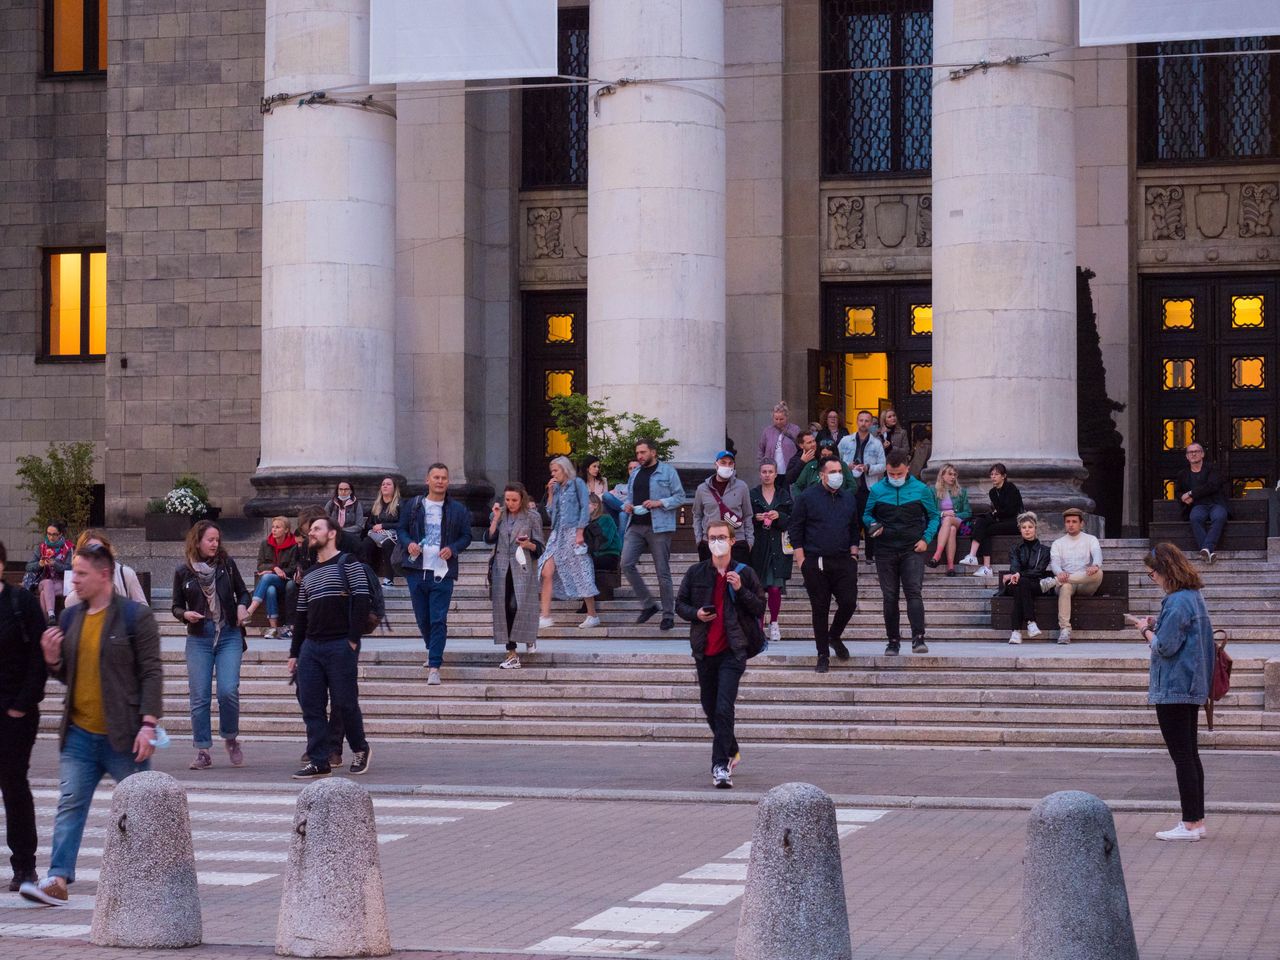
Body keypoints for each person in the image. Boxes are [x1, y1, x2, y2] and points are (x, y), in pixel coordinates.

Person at [19, 543, 161, 906]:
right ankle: (58, 878)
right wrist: (52, 660)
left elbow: (151, 671)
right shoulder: (70, 617)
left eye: (80, 574)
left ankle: (153, 881)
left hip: (124, 733)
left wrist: (149, 724)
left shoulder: (134, 617)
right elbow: (70, 675)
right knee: (70, 803)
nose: (73, 581)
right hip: (80, 732)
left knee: (139, 809)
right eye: (73, 574)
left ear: (103, 575)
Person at [1134, 543, 1215, 841]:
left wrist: (1145, 630)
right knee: (1190, 755)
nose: (1152, 579)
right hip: (1191, 684)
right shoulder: (1194, 596)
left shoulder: (1177, 601)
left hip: (1174, 686)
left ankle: (1190, 823)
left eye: (1152, 574)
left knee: (1182, 756)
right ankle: (1197, 820)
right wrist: (1158, 623)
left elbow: (1165, 646)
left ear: (1166, 571)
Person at [675, 519, 765, 789]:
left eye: (722, 537)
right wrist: (697, 614)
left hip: (733, 650)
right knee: (709, 706)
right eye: (712, 537)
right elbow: (680, 604)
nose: (717, 542)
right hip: (705, 650)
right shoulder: (696, 573)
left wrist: (740, 590)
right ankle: (732, 746)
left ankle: (720, 764)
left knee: (724, 707)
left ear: (731, 541)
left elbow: (760, 607)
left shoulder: (745, 573)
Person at [287, 516, 373, 779]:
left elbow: (362, 599)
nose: (311, 534)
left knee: (345, 703)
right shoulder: (309, 574)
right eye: (310, 530)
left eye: (316, 529)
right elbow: (301, 615)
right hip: (312, 647)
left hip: (339, 644)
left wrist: (353, 639)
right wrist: (294, 652)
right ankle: (318, 759)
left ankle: (360, 748)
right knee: (311, 705)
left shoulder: (349, 563)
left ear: (332, 533)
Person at [171, 521, 249, 770]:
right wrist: (185, 615)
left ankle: (231, 737)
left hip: (228, 634)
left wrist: (241, 605)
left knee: (228, 690)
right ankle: (203, 749)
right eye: (210, 540)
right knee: (200, 695)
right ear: (198, 541)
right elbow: (175, 606)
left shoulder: (227, 565)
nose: (215, 544)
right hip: (199, 636)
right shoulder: (183, 571)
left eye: (217, 539)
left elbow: (244, 593)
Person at [397, 463, 473, 685]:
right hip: (416, 570)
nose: (440, 481)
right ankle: (433, 649)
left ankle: (434, 666)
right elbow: (400, 529)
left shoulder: (458, 509)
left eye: (444, 478)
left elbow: (466, 536)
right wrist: (408, 543)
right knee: (423, 618)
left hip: (443, 571)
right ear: (427, 480)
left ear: (448, 482)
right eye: (436, 477)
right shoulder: (413, 506)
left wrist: (453, 548)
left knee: (438, 619)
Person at [0, 540, 46, 894]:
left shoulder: (21, 603)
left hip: (15, 713)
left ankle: (25, 867)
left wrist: (22, 704)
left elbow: (39, 660)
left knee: (13, 785)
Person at [863, 449, 940, 656]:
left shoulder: (922, 489)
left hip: (912, 548)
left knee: (913, 592)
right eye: (891, 474)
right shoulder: (878, 490)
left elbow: (934, 516)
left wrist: (926, 539)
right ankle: (893, 641)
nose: (895, 478)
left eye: (899, 474)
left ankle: (918, 638)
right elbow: (866, 514)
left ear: (907, 469)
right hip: (885, 549)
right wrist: (872, 524)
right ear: (886, 470)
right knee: (889, 596)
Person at [788, 458, 861, 672]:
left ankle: (834, 636)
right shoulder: (807, 498)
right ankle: (823, 654)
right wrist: (801, 560)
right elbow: (796, 528)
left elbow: (854, 528)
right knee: (820, 609)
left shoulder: (848, 498)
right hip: (816, 562)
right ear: (822, 475)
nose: (837, 475)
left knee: (848, 603)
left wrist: (854, 554)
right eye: (833, 471)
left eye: (840, 471)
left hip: (843, 561)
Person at [621, 438, 686, 631]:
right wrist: (629, 506)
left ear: (653, 452)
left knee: (662, 571)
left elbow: (680, 496)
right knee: (625, 563)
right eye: (638, 453)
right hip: (636, 524)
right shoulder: (636, 473)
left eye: (643, 452)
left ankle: (668, 614)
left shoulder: (667, 471)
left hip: (659, 526)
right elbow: (631, 497)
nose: (639, 456)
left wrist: (659, 502)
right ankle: (649, 604)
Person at [486, 484, 544, 669]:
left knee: (516, 605)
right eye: (507, 500)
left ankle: (527, 636)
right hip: (501, 567)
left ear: (522, 499)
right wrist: (495, 519)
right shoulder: (499, 514)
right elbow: (488, 538)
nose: (510, 503)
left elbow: (540, 546)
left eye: (514, 500)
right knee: (504, 608)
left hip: (522, 566)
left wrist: (528, 544)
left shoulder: (532, 516)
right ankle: (511, 652)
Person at [538, 457, 599, 630]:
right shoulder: (557, 488)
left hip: (573, 532)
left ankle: (592, 614)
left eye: (555, 470)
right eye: (552, 471)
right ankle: (545, 615)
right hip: (557, 534)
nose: (553, 474)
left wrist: (580, 532)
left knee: (581, 571)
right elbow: (550, 512)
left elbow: (584, 508)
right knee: (546, 569)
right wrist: (550, 494)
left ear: (564, 469)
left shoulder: (577, 483)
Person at [1043, 507, 1103, 645]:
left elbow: (1097, 553)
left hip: (1085, 583)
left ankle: (1054, 582)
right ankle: (1065, 630)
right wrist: (1059, 573)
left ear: (1081, 524)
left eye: (1074, 521)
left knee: (1099, 572)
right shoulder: (1058, 543)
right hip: (1066, 582)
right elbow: (1055, 563)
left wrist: (1095, 565)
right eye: (1068, 521)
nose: (1071, 524)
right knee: (1065, 587)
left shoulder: (1091, 539)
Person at [749, 461, 793, 645]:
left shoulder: (784, 495)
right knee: (758, 589)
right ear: (760, 474)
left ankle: (774, 622)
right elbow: (743, 517)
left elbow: (792, 518)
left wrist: (779, 516)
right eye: (764, 472)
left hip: (777, 546)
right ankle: (758, 624)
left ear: (776, 474)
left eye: (771, 472)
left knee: (775, 588)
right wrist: (755, 517)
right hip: (758, 546)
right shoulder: (752, 494)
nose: (767, 475)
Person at [959, 463, 1024, 576]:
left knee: (986, 527)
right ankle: (974, 557)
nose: (993, 476)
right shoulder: (992, 492)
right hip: (1002, 520)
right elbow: (1000, 511)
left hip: (1014, 522)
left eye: (996, 474)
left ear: (1003, 476)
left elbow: (1011, 510)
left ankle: (984, 565)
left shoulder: (1010, 488)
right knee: (981, 521)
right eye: (991, 474)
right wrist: (995, 514)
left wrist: (996, 514)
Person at [839, 410, 887, 560]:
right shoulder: (846, 441)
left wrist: (868, 468)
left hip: (868, 487)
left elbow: (883, 466)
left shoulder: (876, 443)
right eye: (861, 420)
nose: (864, 423)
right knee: (849, 520)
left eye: (867, 421)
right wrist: (848, 466)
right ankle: (849, 552)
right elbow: (836, 460)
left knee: (868, 520)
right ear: (857, 421)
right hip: (848, 486)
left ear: (871, 423)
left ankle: (869, 555)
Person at [692, 451, 754, 564]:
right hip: (710, 542)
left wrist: (749, 541)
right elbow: (697, 515)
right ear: (716, 464)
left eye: (730, 463)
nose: (727, 466)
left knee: (736, 579)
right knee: (710, 579)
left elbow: (747, 515)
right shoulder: (702, 489)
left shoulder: (742, 487)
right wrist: (699, 540)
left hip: (736, 542)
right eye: (723, 463)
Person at [243, 517, 299, 639]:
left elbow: (293, 568)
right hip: (272, 581)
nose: (274, 530)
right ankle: (273, 628)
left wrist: (276, 571)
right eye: (273, 527)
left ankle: (250, 611)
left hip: (286, 581)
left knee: (267, 577)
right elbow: (260, 565)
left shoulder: (294, 545)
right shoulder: (265, 544)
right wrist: (274, 568)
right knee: (270, 590)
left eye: (278, 527)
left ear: (286, 530)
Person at [1001, 512, 1052, 644]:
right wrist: (1016, 574)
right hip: (1016, 582)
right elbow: (1014, 566)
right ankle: (1030, 622)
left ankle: (1016, 631)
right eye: (1024, 527)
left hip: (1036, 584)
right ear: (1020, 530)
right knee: (1021, 584)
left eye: (1030, 527)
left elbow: (1038, 571)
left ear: (1035, 528)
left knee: (1022, 583)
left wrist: (1019, 574)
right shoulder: (1015, 549)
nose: (1027, 530)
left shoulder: (1045, 550)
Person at [1175, 443, 1228, 563]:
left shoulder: (1213, 469)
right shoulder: (1182, 474)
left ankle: (1206, 548)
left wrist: (1191, 494)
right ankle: (1208, 551)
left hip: (1216, 504)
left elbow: (1211, 486)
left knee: (1219, 517)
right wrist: (1183, 497)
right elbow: (1178, 492)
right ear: (1187, 457)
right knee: (1195, 518)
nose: (1193, 454)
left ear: (1202, 454)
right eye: (1190, 452)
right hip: (1197, 505)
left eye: (1196, 451)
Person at [64, 530, 147, 607]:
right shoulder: (79, 575)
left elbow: (142, 607)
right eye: (89, 550)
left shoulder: (125, 573)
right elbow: (69, 603)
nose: (95, 553)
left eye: (99, 548)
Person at [24, 521, 73, 625]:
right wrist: (40, 564)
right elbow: (28, 566)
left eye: (54, 534)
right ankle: (51, 615)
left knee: (44, 593)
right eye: (48, 534)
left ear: (60, 534)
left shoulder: (68, 548)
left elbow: (70, 567)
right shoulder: (41, 547)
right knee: (47, 583)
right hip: (43, 581)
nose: (51, 537)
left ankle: (45, 622)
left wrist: (55, 564)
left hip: (61, 582)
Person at [927, 463, 972, 575]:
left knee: (949, 521)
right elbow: (929, 512)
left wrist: (954, 515)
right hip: (940, 524)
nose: (953, 477)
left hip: (958, 522)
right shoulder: (933, 491)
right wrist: (943, 513)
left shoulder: (962, 492)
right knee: (951, 529)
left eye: (954, 474)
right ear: (942, 475)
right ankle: (951, 567)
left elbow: (968, 512)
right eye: (950, 474)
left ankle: (937, 555)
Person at [360, 477, 402, 586]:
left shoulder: (400, 504)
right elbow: (368, 524)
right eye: (383, 484)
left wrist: (383, 525)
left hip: (393, 536)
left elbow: (402, 524)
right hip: (377, 536)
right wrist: (374, 528)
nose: (385, 486)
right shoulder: (377, 505)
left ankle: (389, 578)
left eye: (388, 484)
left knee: (388, 544)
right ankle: (366, 576)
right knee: (366, 543)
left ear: (394, 488)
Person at [758, 402, 800, 474]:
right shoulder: (767, 431)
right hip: (771, 471)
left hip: (790, 470)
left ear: (786, 417)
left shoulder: (795, 429)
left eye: (781, 419)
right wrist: (761, 465)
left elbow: (800, 448)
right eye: (776, 419)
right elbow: (761, 449)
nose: (778, 421)